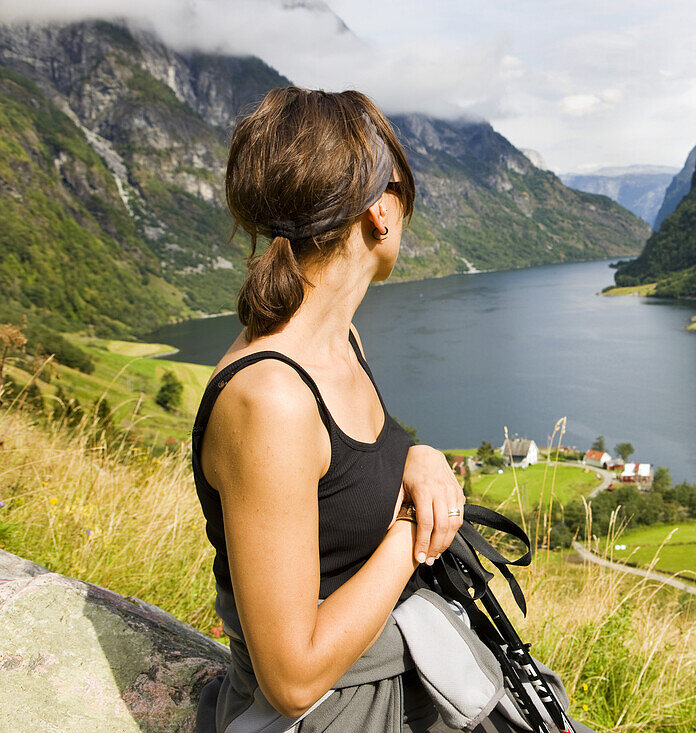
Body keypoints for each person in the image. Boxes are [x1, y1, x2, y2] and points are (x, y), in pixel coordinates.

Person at [192, 87, 515, 732]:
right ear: (381, 212)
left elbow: (351, 475)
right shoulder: (271, 400)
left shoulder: (340, 341)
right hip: (340, 714)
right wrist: (411, 536)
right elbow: (292, 678)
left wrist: (417, 458)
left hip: (400, 678)